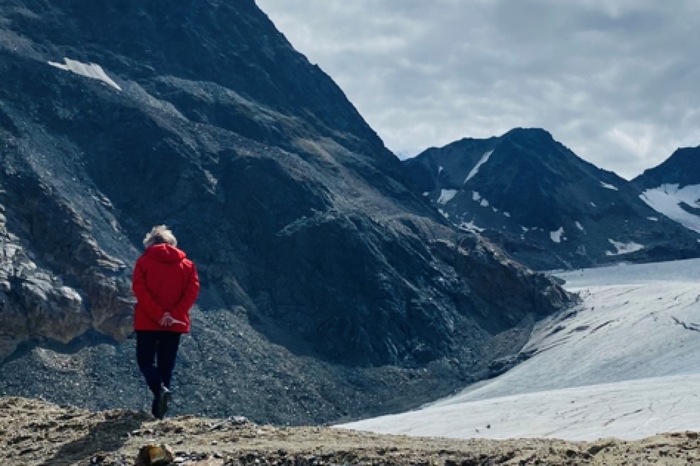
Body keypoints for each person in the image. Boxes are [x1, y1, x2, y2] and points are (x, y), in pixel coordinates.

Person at [132, 225, 200, 419]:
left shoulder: (143, 262)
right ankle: (159, 414)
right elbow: (191, 293)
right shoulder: (187, 265)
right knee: (166, 365)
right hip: (175, 324)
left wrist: (159, 314)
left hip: (148, 322)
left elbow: (140, 290)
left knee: (145, 361)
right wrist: (173, 314)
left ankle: (159, 391)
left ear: (151, 243)